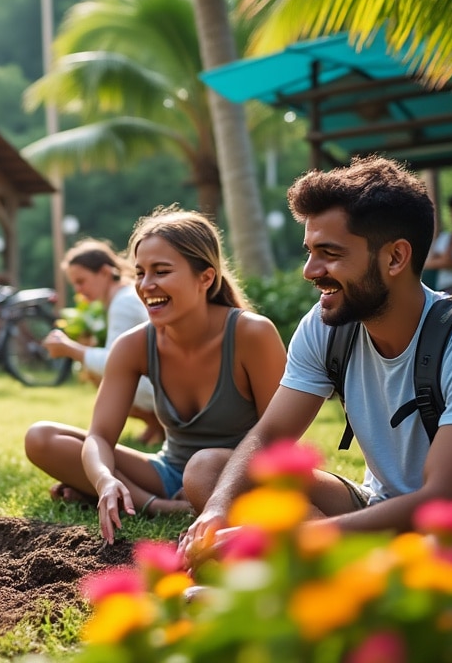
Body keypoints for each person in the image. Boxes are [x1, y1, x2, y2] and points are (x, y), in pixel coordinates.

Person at [180, 157, 452, 576]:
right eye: (310, 252)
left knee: (437, 551)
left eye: (330, 254)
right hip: (375, 509)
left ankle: (320, 571)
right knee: (208, 472)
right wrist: (215, 511)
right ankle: (343, 572)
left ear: (395, 257)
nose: (310, 271)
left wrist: (295, 536)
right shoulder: (328, 324)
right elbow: (269, 435)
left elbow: (444, 498)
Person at [25, 208, 287, 543]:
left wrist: (224, 489)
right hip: (168, 473)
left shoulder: (251, 334)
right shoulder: (134, 345)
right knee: (42, 437)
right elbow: (100, 437)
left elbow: (279, 440)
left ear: (205, 278)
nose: (147, 286)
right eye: (140, 273)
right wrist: (104, 479)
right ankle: (157, 505)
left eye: (161, 271)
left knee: (203, 466)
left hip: (235, 477)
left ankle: (173, 500)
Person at [41, 239, 164, 445]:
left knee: (98, 375)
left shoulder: (123, 302)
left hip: (161, 385)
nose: (78, 290)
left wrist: (69, 348)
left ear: (105, 273)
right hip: (160, 380)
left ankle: (159, 425)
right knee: (93, 370)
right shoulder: (121, 298)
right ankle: (157, 426)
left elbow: (116, 364)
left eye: (81, 281)